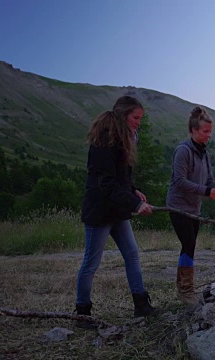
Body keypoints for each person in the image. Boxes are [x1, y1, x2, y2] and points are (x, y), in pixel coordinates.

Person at [76, 95, 158, 326]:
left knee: (132, 254)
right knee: (91, 262)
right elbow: (106, 183)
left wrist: (133, 190)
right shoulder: (105, 140)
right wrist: (135, 205)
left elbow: (121, 176)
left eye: (140, 118)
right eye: (135, 117)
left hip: (118, 210)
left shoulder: (127, 137)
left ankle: (141, 304)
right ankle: (82, 313)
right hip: (100, 212)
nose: (138, 122)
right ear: (123, 116)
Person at [166, 106, 215, 305]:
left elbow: (210, 181)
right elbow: (179, 181)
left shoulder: (204, 154)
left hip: (194, 208)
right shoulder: (183, 151)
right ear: (194, 131)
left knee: (189, 246)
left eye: (210, 131)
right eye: (205, 131)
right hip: (178, 205)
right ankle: (186, 291)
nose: (209, 135)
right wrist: (206, 192)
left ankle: (182, 287)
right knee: (189, 244)